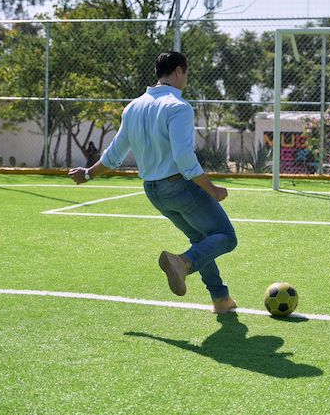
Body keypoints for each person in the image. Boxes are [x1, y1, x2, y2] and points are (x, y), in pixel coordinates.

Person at [68, 51, 238, 314]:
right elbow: (183, 157)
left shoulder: (133, 107)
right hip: (179, 187)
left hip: (154, 191)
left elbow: (114, 154)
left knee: (200, 238)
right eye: (187, 75)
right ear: (179, 71)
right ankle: (184, 263)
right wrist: (212, 188)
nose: (187, 80)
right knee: (226, 237)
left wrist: (88, 173)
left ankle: (221, 299)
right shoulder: (178, 107)